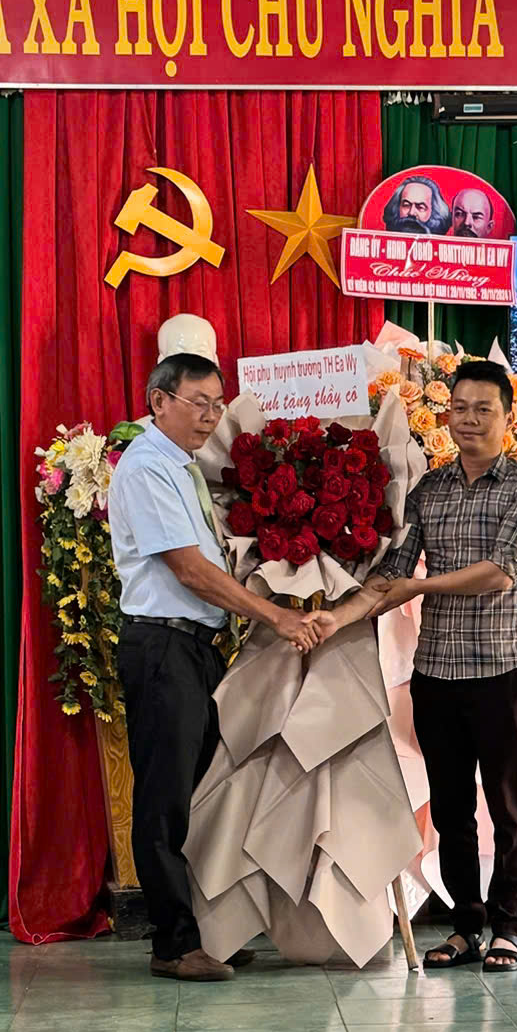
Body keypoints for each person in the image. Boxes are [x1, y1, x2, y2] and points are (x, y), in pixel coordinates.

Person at [316, 359, 517, 971]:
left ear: (508, 417)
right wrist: (331, 620)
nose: (469, 419)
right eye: (460, 408)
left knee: (507, 806)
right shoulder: (429, 490)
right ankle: (465, 928)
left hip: (498, 670)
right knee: (449, 811)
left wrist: (420, 588)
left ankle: (509, 928)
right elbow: (391, 575)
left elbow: (501, 573)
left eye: (483, 409)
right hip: (436, 673)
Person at [109, 349, 320, 983]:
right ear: (158, 401)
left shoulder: (183, 467)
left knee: (198, 793)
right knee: (165, 799)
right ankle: (174, 945)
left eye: (217, 404)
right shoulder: (147, 467)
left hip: (194, 648)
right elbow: (190, 570)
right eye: (197, 402)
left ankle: (203, 932)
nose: (210, 416)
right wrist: (274, 615)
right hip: (162, 646)